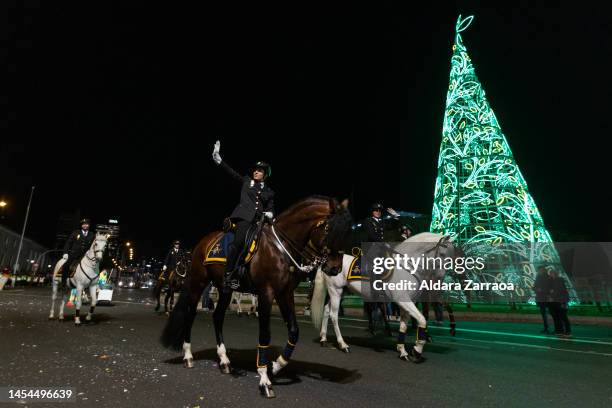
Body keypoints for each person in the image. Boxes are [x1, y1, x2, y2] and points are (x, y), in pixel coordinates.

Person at [212, 140, 275, 292]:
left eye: (259, 171)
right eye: (255, 170)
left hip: (259, 222)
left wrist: (270, 213)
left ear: (265, 174)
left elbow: (271, 208)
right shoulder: (247, 181)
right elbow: (232, 173)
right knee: (239, 242)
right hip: (244, 218)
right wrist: (219, 160)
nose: (256, 172)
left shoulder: (269, 192)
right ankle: (228, 275)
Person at [61, 218, 95, 288]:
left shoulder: (92, 234)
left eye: (86, 224)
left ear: (89, 225)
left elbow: (93, 245)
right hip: (74, 254)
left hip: (85, 255)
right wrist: (65, 253)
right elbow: (68, 243)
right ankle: (63, 283)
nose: (85, 225)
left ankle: (90, 283)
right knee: (66, 265)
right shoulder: (76, 232)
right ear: (81, 225)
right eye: (83, 224)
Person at [549, 270, 571, 337]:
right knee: (560, 316)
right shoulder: (557, 280)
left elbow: (557, 291)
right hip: (559, 300)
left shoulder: (558, 280)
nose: (550, 275)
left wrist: (552, 294)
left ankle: (567, 331)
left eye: (551, 274)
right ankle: (561, 331)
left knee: (563, 316)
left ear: (554, 274)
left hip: (560, 301)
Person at [533, 266, 552, 334]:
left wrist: (541, 290)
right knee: (544, 314)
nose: (539, 271)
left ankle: (556, 328)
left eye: (540, 270)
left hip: (546, 297)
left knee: (551, 313)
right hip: (541, 298)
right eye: (539, 270)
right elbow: (534, 287)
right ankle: (546, 328)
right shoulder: (538, 277)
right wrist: (536, 289)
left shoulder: (547, 277)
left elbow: (550, 287)